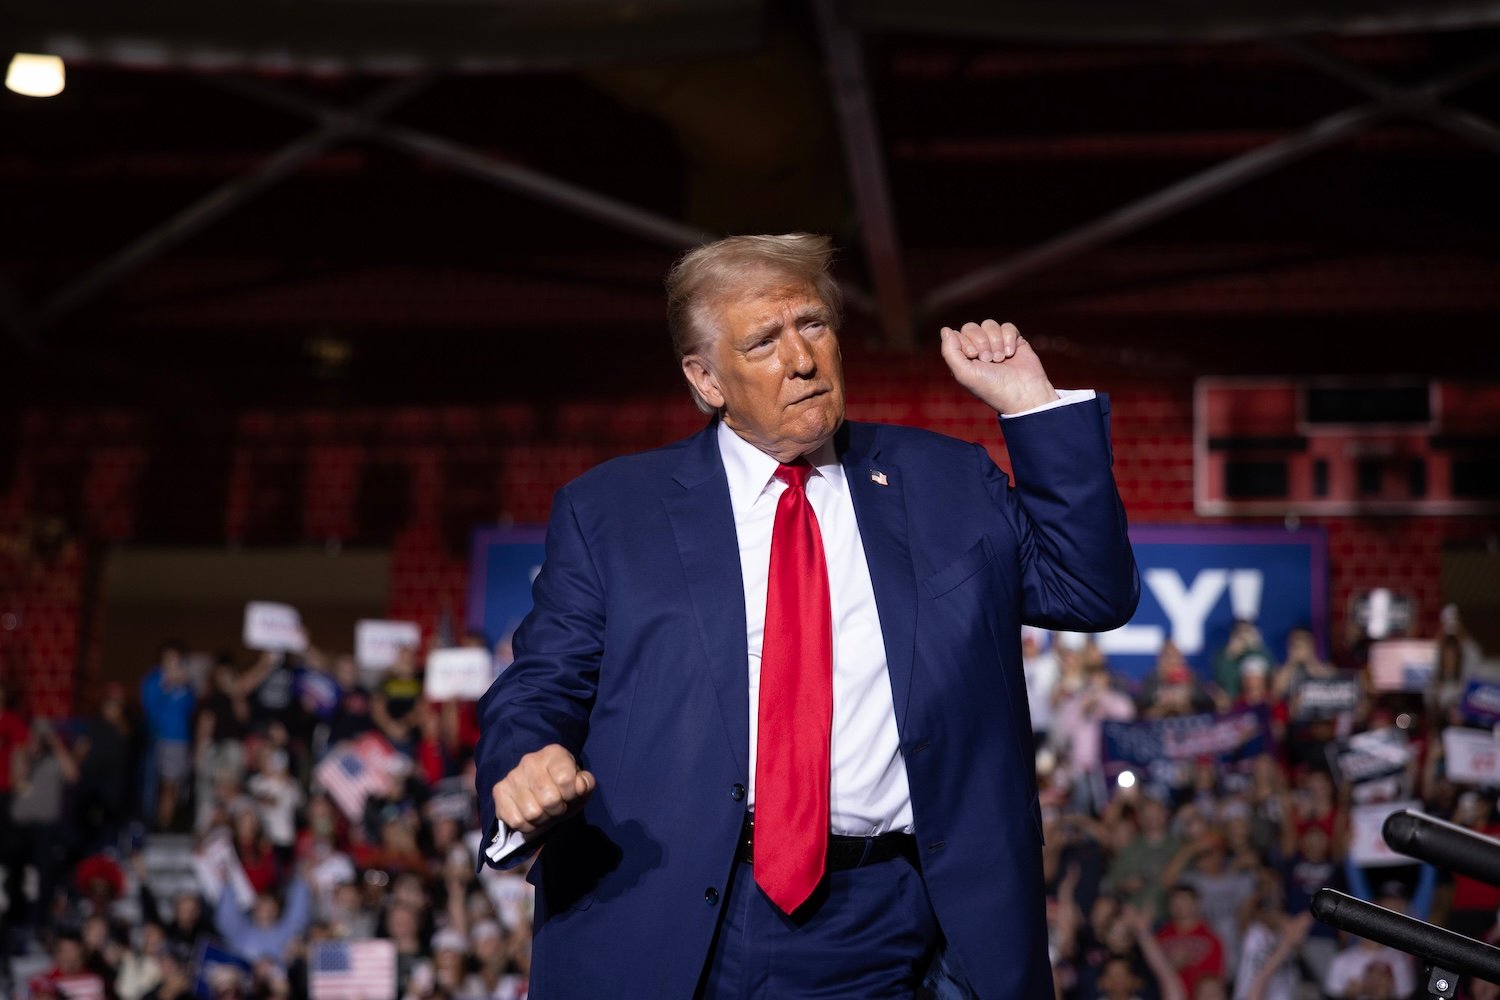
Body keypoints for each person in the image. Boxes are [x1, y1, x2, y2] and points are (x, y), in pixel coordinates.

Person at [474, 233, 1139, 997]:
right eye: (763, 340)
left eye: (814, 325)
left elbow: (1090, 592)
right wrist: (524, 762)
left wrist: (1033, 409)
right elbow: (541, 684)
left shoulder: (946, 481)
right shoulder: (611, 511)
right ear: (706, 377)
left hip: (903, 917)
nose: (801, 359)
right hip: (678, 916)